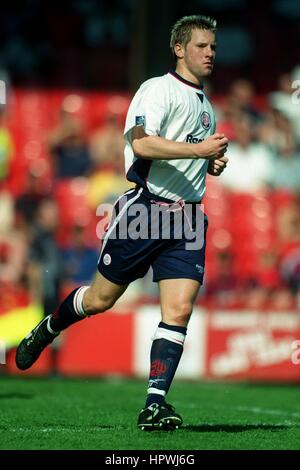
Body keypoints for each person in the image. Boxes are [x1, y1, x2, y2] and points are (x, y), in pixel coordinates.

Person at [16, 15, 228, 431]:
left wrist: (211, 162)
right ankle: (50, 326)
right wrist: (199, 149)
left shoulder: (206, 105)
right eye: (202, 46)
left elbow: (189, 155)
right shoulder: (157, 89)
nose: (210, 54)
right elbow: (142, 143)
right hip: (145, 211)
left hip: (187, 217)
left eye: (214, 48)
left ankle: (154, 403)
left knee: (179, 309)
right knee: (99, 300)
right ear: (179, 49)